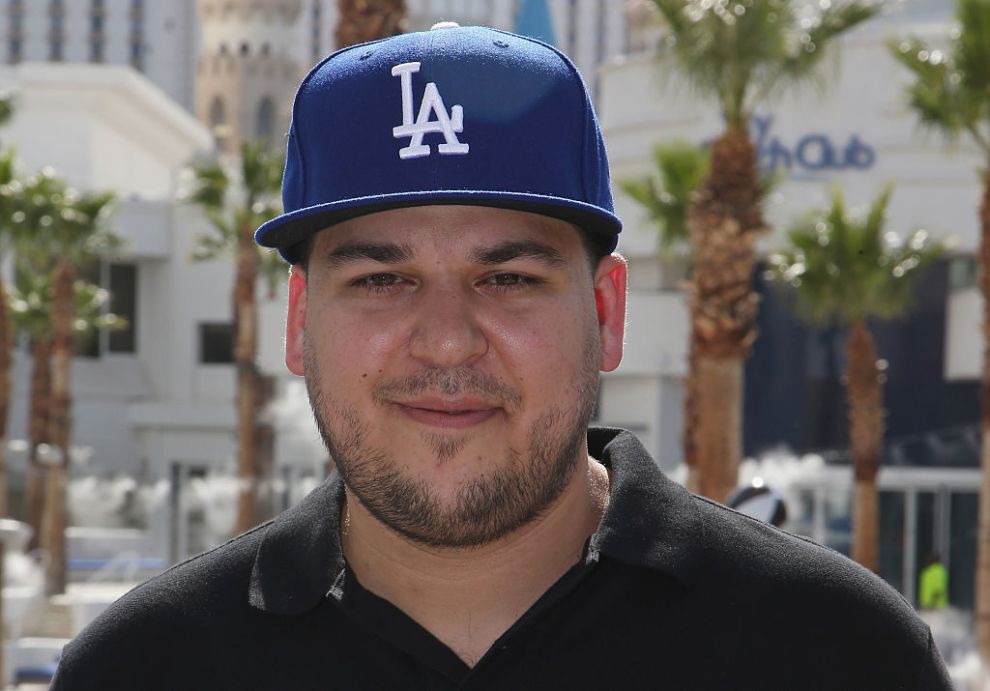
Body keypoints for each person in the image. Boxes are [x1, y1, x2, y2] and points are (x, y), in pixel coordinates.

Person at [52, 23, 950, 690]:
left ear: (605, 310)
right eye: (381, 281)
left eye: (509, 278)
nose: (447, 339)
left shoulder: (839, 654)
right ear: (297, 323)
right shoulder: (145, 668)